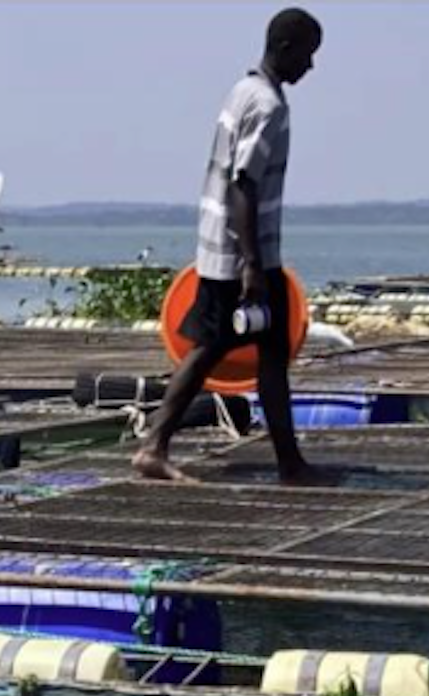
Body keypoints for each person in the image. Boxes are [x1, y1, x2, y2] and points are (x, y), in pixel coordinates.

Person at [135, 7, 334, 486]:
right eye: (308, 55)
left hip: (222, 249)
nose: (311, 67)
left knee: (264, 351)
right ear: (285, 49)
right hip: (240, 257)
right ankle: (155, 446)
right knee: (211, 350)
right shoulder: (267, 106)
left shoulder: (241, 90)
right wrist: (251, 266)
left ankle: (289, 463)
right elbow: (243, 184)